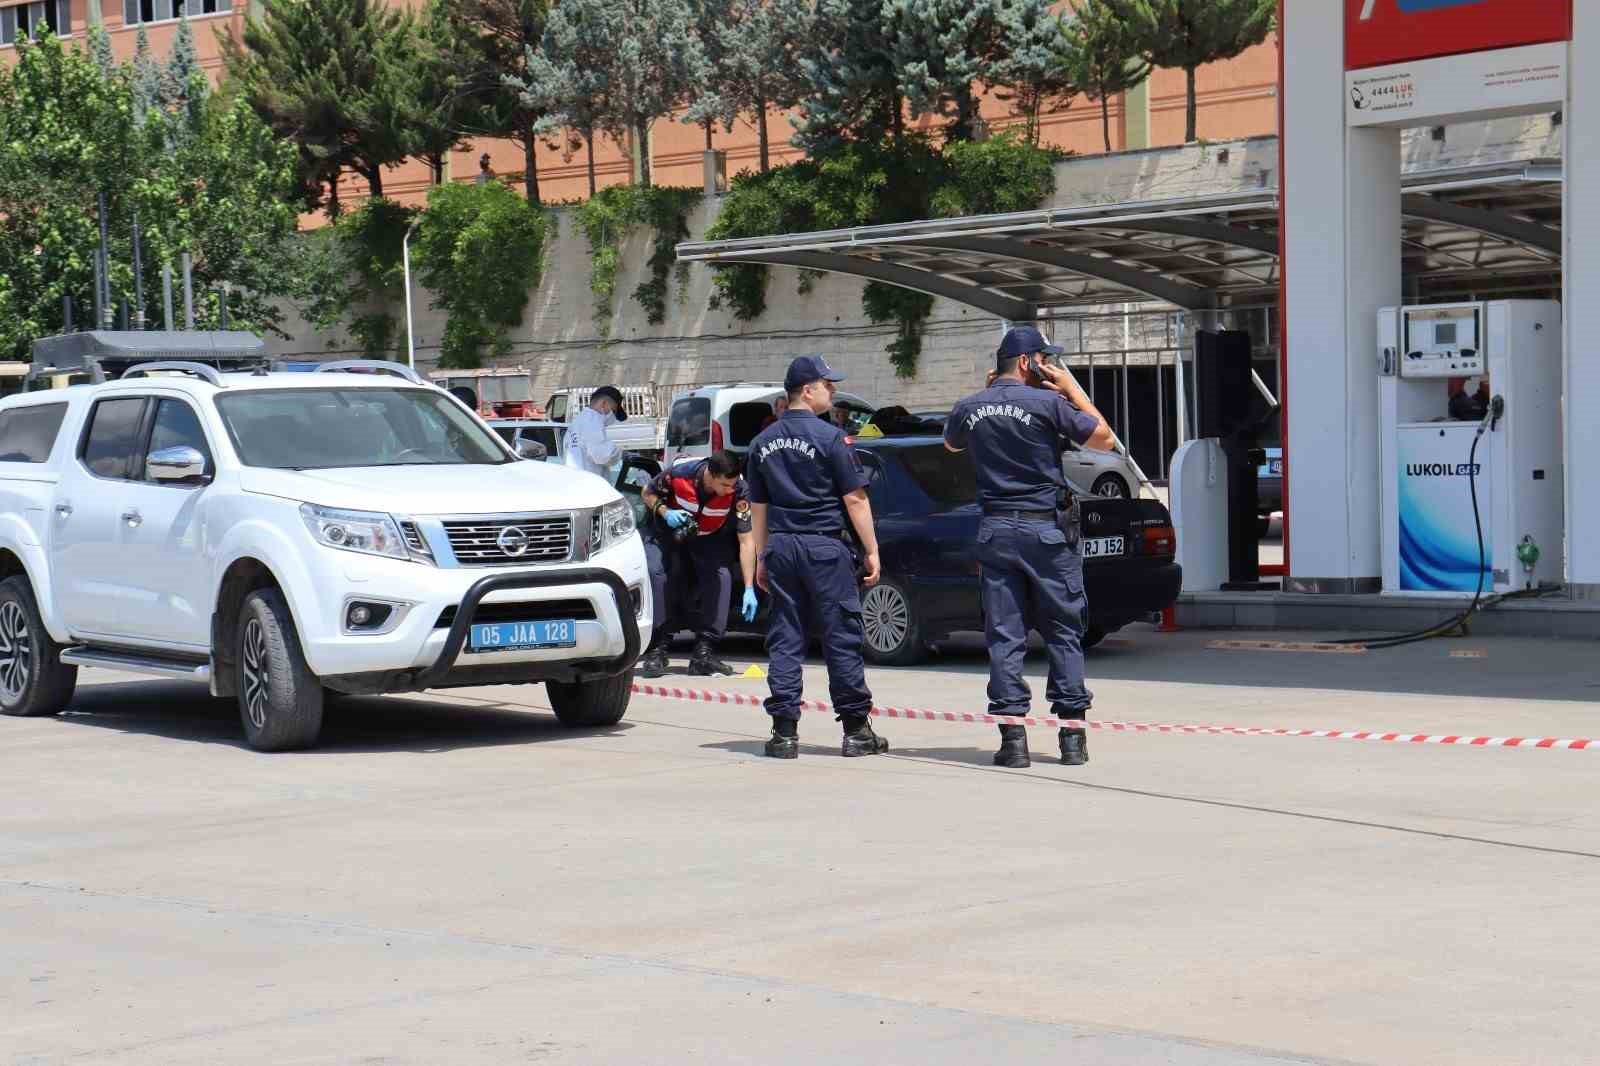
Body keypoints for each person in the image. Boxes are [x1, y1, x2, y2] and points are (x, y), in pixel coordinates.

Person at [944, 325, 1115, 769]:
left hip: (996, 531)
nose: (1051, 369)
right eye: (1045, 362)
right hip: (1045, 532)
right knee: (1062, 628)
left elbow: (950, 442)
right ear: (1028, 363)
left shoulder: (970, 406)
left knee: (1005, 635)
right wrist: (1071, 387)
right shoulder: (1048, 402)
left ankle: (1013, 741)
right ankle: (1072, 740)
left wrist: (987, 397)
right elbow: (1104, 438)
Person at [746, 356, 887, 759]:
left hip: (782, 547)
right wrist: (872, 550)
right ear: (807, 390)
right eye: (828, 384)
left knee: (786, 638)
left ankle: (784, 733)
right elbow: (855, 499)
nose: (834, 391)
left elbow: (758, 508)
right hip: (824, 547)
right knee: (841, 637)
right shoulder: (830, 438)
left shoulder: (761, 443)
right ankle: (857, 730)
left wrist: (760, 558)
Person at [637, 450, 758, 678]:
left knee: (720, 577)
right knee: (657, 575)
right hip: (668, 530)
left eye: (732, 484)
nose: (729, 490)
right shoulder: (680, 474)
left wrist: (750, 587)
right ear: (710, 475)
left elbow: (746, 540)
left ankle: (704, 653)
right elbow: (647, 492)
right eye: (724, 485)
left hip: (709, 535)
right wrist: (666, 511)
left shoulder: (739, 491)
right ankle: (657, 649)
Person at [563, 385, 627, 480]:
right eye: (613, 410)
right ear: (604, 404)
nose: (613, 417)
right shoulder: (593, 421)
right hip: (589, 485)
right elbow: (602, 454)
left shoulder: (579, 421)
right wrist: (620, 453)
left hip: (576, 481)